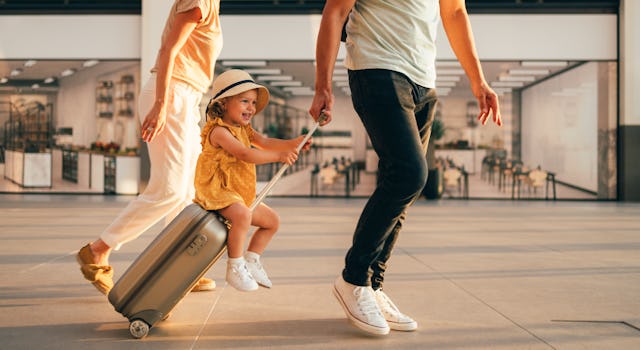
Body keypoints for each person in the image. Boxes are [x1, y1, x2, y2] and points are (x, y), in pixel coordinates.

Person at [309, 0, 503, 336]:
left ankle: (373, 284)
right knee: (410, 174)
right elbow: (336, 10)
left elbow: (454, 12)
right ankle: (354, 277)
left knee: (403, 187)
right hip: (376, 67)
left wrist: (478, 81)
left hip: (423, 80)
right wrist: (322, 85)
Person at [77, 0, 223, 295]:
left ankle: (181, 266)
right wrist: (161, 104)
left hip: (186, 97)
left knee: (188, 192)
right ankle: (98, 249)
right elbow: (168, 50)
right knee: (168, 189)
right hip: (172, 93)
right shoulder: (200, 1)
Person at [194, 69, 311, 292]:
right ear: (225, 103)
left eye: (254, 103)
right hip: (218, 190)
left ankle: (251, 260)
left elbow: (265, 143)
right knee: (242, 215)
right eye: (244, 101)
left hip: (237, 192)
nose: (251, 107)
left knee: (272, 221)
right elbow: (245, 154)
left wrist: (293, 143)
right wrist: (279, 157)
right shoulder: (219, 131)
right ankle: (234, 266)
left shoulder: (244, 129)